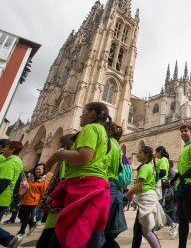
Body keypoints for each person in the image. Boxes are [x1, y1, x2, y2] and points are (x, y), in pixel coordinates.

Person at [45, 101, 111, 248]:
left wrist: (60, 153)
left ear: (92, 113)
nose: (80, 115)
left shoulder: (91, 128)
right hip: (93, 186)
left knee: (69, 234)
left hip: (85, 186)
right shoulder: (102, 132)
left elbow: (84, 157)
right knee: (83, 234)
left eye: (83, 111)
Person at [36, 134, 74, 248]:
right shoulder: (67, 161)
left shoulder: (65, 161)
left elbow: (63, 182)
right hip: (61, 205)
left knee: (48, 237)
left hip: (58, 205)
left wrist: (51, 197)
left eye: (61, 145)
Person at [125, 146, 165, 248]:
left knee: (147, 231)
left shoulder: (144, 167)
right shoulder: (149, 167)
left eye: (140, 152)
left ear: (146, 155)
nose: (137, 154)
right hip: (147, 198)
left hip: (146, 199)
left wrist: (125, 196)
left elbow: (139, 185)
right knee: (143, 230)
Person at [102, 121, 127, 248]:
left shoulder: (109, 144)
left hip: (106, 184)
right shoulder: (117, 145)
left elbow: (104, 165)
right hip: (115, 186)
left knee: (101, 226)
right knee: (109, 226)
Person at [0, 141, 24, 247]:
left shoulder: (10, 162)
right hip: (6, 198)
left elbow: (3, 182)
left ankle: (8, 239)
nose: (3, 149)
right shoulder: (18, 161)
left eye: (6, 147)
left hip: (1, 197)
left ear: (13, 149)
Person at [16, 163, 49, 236]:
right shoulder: (32, 179)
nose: (37, 170)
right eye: (36, 169)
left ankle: (21, 232)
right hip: (25, 200)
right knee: (20, 216)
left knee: (25, 216)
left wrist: (42, 203)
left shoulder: (44, 181)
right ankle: (32, 223)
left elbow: (44, 193)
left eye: (39, 169)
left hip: (34, 201)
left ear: (43, 170)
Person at [155, 146, 178, 238]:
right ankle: (154, 229)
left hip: (161, 185)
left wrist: (154, 177)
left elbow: (163, 173)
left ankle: (173, 224)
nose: (156, 154)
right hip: (161, 185)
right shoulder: (163, 160)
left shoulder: (163, 159)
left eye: (156, 152)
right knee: (157, 207)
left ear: (160, 151)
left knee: (158, 207)